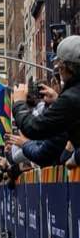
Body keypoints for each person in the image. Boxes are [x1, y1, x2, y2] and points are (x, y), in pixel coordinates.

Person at [13, 35, 80, 170]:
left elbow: (34, 128)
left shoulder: (71, 99)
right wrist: (58, 100)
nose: (59, 73)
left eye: (59, 68)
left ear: (66, 68)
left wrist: (19, 103)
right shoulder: (71, 98)